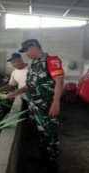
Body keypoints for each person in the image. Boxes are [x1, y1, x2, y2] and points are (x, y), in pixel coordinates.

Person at [19, 39, 64, 173]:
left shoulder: (51, 60)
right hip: (34, 106)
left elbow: (59, 82)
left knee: (50, 134)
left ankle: (52, 165)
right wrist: (15, 92)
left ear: (35, 47)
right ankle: (43, 159)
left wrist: (56, 103)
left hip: (47, 105)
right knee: (40, 134)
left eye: (27, 50)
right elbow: (30, 83)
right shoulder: (33, 63)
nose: (26, 54)